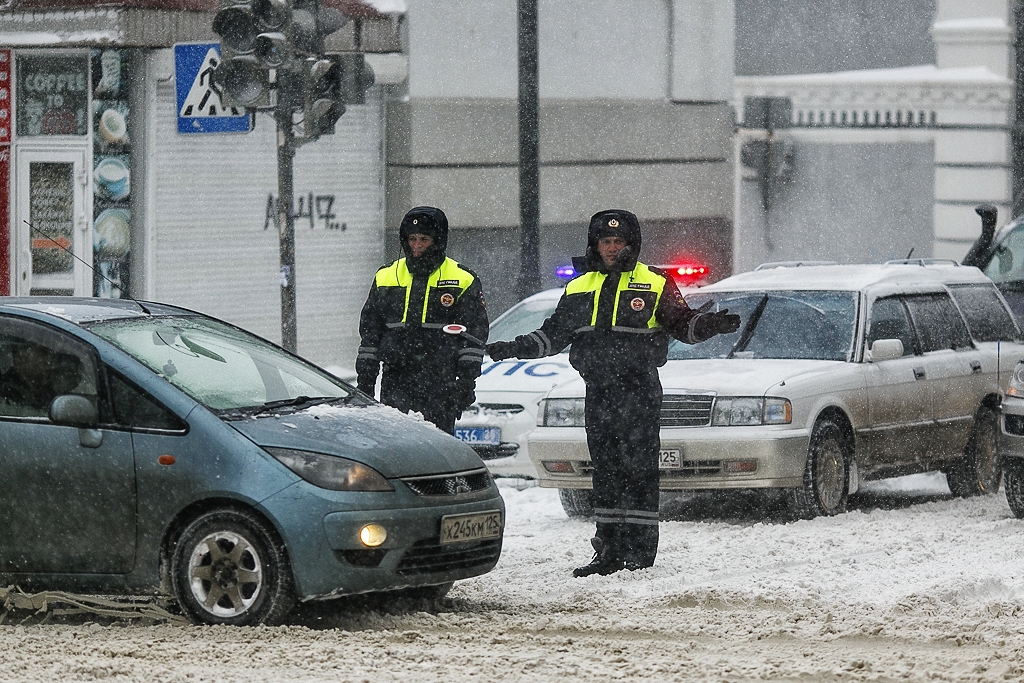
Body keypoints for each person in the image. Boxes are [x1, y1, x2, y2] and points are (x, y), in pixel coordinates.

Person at [486, 209, 740, 577]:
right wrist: (512, 347)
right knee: (605, 472)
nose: (611, 248)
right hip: (599, 392)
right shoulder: (579, 287)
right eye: (605, 241)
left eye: (618, 241)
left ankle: (638, 553)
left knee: (638, 471)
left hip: (639, 390)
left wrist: (708, 325)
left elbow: (683, 325)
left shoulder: (654, 282)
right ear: (595, 244)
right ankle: (607, 550)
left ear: (631, 244)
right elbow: (552, 336)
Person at [356, 206, 488, 433]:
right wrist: (365, 384)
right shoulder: (385, 276)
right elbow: (370, 335)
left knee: (438, 453)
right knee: (395, 449)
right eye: (412, 239)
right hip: (396, 381)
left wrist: (466, 382)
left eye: (424, 239)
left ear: (438, 240)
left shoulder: (462, 279)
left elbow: (473, 337)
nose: (416, 246)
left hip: (441, 383)